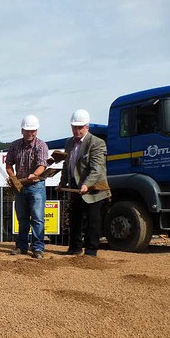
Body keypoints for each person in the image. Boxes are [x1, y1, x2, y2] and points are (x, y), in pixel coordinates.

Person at [58, 109, 111, 257]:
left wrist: (87, 184)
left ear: (87, 127)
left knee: (93, 219)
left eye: (80, 127)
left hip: (94, 187)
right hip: (76, 186)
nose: (77, 130)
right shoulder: (69, 143)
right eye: (74, 127)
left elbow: (97, 168)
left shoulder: (97, 143)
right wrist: (62, 183)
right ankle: (74, 248)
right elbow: (66, 165)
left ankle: (91, 251)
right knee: (75, 218)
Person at [5, 115, 49, 259]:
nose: (30, 133)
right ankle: (21, 246)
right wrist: (13, 178)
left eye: (33, 131)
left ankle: (37, 248)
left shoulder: (41, 146)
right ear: (22, 130)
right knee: (22, 218)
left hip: (36, 186)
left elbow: (42, 165)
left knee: (37, 218)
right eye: (28, 131)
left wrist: (34, 174)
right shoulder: (15, 145)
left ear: (36, 131)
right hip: (21, 186)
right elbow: (9, 164)